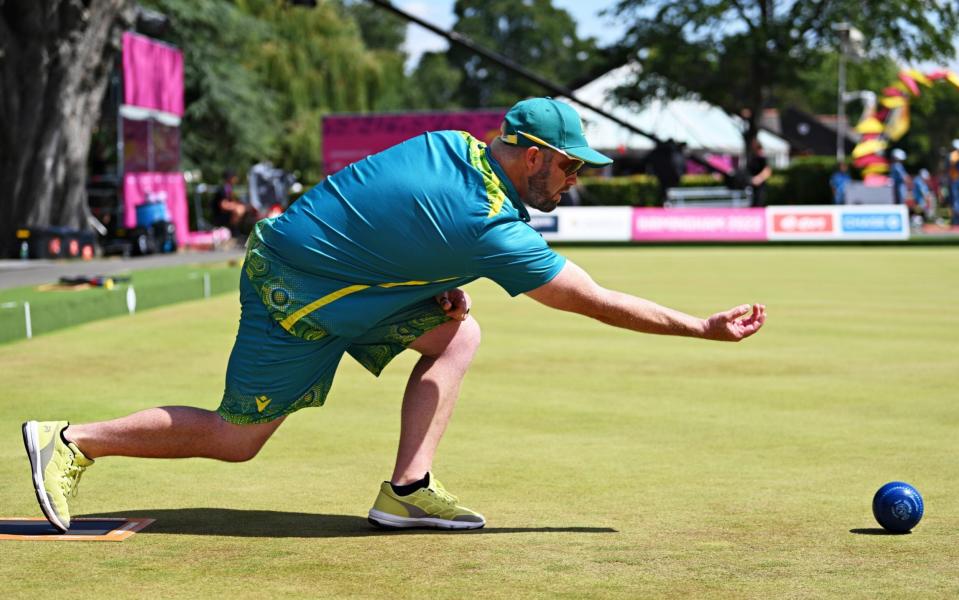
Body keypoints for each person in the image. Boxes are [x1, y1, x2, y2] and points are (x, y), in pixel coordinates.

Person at [22, 98, 766, 533]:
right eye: (569, 165)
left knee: (456, 330)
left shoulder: (451, 145)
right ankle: (72, 440)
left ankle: (406, 492)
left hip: (336, 271)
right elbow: (594, 302)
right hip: (300, 294)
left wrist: (426, 280)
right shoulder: (489, 226)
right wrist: (699, 327)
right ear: (531, 154)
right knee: (236, 439)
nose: (574, 180)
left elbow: (378, 210)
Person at [211, 168, 252, 236]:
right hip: (220, 215)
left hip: (226, 214)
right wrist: (236, 206)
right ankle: (233, 230)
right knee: (239, 210)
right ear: (230, 178)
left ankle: (239, 230)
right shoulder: (223, 189)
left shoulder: (229, 188)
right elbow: (223, 205)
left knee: (245, 209)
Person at [746, 139, 772, 207]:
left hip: (760, 186)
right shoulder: (752, 157)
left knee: (759, 202)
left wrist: (759, 178)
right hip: (752, 185)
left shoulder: (762, 158)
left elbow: (767, 171)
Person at [948, 140, 959, 225]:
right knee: (955, 200)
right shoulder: (954, 155)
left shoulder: (953, 155)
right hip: (955, 179)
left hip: (955, 180)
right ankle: (955, 220)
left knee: (955, 200)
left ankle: (955, 220)